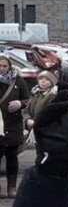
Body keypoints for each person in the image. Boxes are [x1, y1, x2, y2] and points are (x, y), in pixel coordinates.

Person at [0, 54, 28, 197]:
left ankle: (12, 188)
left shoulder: (18, 80)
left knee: (12, 157)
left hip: (12, 124)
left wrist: (20, 104)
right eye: (0, 66)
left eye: (4, 66)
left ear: (9, 67)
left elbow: (27, 99)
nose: (2, 69)